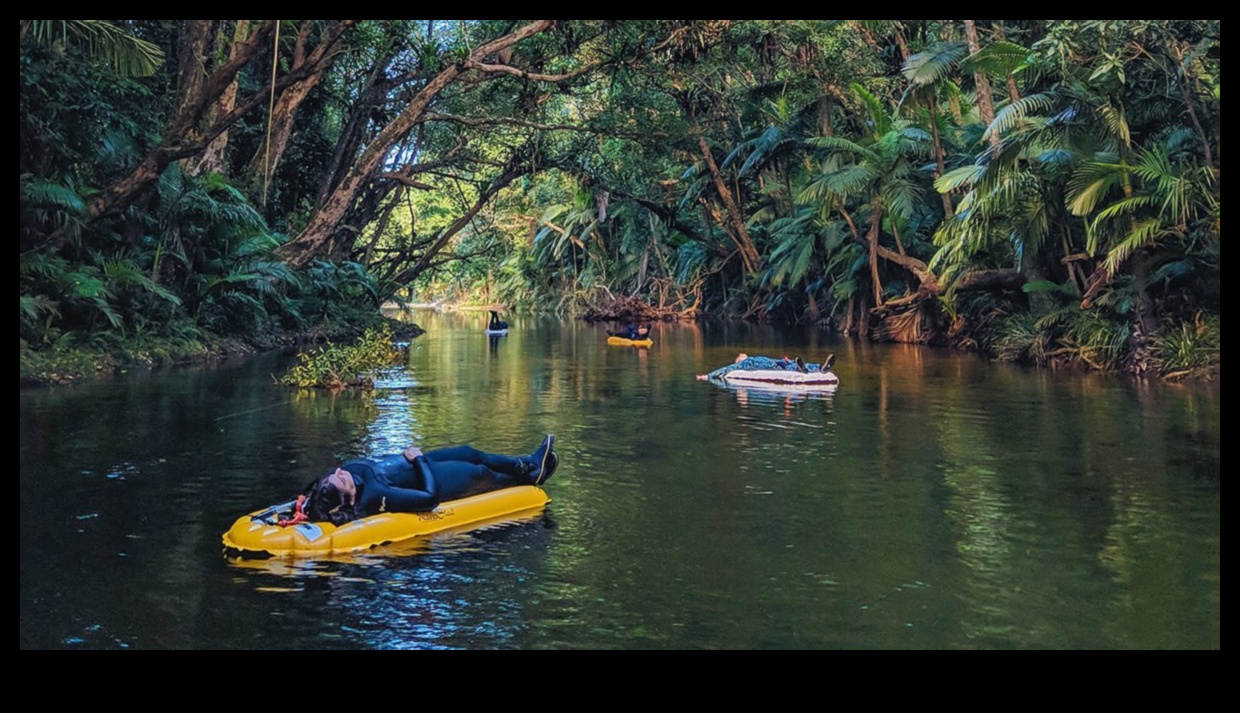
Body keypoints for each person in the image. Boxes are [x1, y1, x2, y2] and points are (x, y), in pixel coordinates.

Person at [291, 435, 558, 526]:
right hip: (426, 475)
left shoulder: (326, 485)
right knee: (479, 473)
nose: (339, 472)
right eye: (342, 481)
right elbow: (430, 499)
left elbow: (312, 490)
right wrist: (418, 459)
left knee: (470, 452)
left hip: (416, 461)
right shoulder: (375, 494)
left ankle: (529, 464)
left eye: (337, 474)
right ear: (348, 497)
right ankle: (531, 476)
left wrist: (299, 508)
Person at [696, 352, 835, 381]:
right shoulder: (742, 365)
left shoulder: (751, 358)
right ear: (738, 361)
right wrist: (706, 376)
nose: (742, 354)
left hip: (774, 361)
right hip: (768, 366)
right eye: (739, 356)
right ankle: (801, 368)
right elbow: (724, 370)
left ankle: (821, 368)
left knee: (791, 362)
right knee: (787, 367)